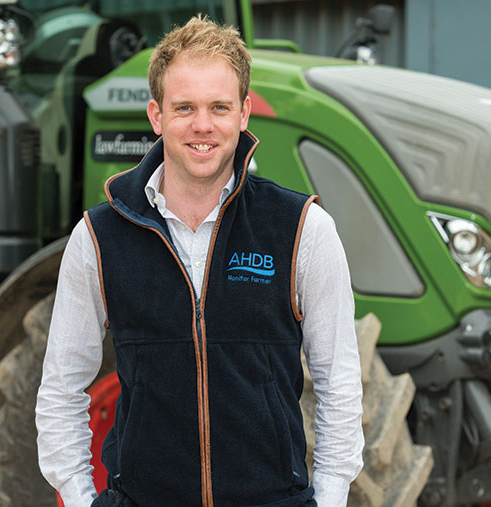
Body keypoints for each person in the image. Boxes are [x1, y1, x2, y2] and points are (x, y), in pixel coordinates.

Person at [36, 15, 363, 507]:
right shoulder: (99, 237)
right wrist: (81, 498)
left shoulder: (302, 230)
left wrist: (331, 497)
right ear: (156, 115)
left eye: (219, 107)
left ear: (245, 113)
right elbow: (62, 388)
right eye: (184, 107)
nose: (203, 125)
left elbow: (339, 384)